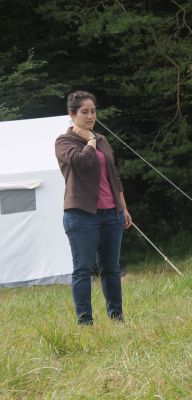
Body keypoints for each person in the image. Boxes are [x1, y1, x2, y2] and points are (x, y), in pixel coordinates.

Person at [55, 90, 132, 326]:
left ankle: (116, 318)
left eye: (93, 111)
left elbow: (113, 175)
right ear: (72, 114)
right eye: (85, 112)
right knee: (83, 270)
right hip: (81, 216)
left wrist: (124, 208)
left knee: (111, 268)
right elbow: (81, 162)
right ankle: (85, 322)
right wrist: (89, 140)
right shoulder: (64, 142)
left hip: (112, 214)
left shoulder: (103, 140)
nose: (90, 116)